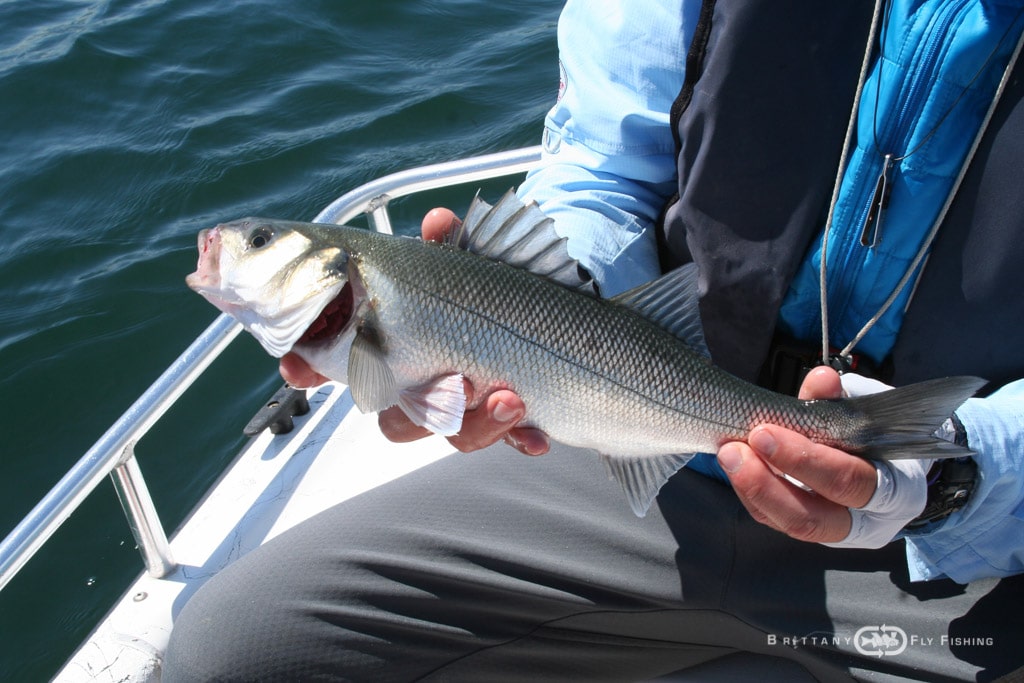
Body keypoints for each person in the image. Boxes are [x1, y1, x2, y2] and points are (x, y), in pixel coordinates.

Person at [165, 0, 1024, 680]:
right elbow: (602, 169)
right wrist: (538, 307)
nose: (231, 248)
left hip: (965, 543)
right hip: (642, 454)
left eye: (260, 243)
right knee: (223, 652)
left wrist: (962, 472)